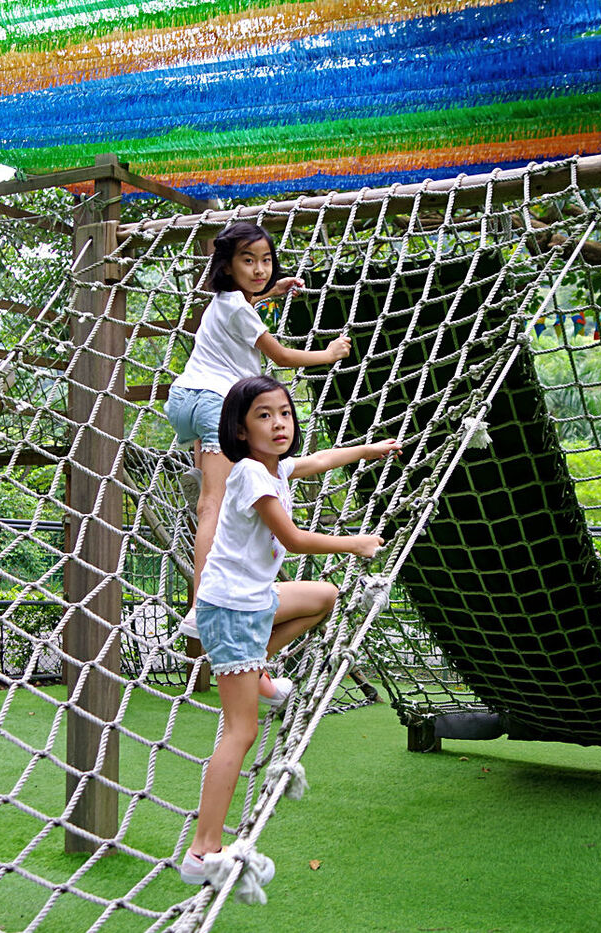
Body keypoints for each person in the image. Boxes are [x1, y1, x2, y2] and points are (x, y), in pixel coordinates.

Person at [179, 374, 399, 885]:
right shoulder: (251, 475)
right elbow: (294, 540)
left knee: (323, 597)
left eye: (284, 413)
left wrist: (374, 448)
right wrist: (355, 543)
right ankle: (200, 852)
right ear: (239, 429)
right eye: (263, 415)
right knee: (242, 729)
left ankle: (257, 672)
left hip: (253, 602)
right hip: (232, 611)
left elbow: (321, 460)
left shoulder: (277, 468)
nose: (278, 423)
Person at [164, 222, 351, 638]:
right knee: (212, 505)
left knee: (214, 492)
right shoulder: (241, 309)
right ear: (228, 266)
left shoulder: (224, 302)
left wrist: (273, 292)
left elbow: (244, 313)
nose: (259, 269)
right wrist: (331, 353)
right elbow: (281, 357)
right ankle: (201, 602)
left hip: (185, 401)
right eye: (248, 261)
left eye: (265, 260)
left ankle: (204, 467)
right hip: (217, 404)